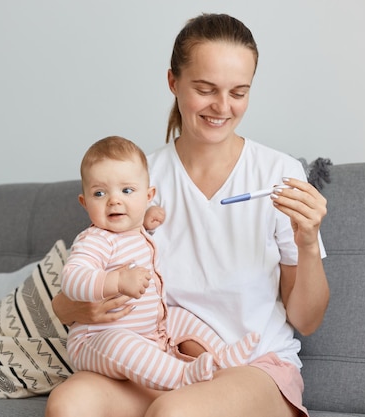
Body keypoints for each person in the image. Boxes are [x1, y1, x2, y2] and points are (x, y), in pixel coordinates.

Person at [46, 13, 329, 417]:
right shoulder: (137, 180)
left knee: (175, 412)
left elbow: (307, 319)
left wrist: (307, 243)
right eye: (205, 88)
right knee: (68, 404)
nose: (222, 107)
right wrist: (85, 307)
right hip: (162, 357)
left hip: (253, 367)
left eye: (239, 92)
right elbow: (69, 297)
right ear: (173, 83)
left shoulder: (278, 175)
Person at [62, 136, 260, 391]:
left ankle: (223, 356)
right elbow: (72, 279)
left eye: (127, 191)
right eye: (99, 193)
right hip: (96, 340)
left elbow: (131, 238)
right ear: (84, 202)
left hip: (151, 332)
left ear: (148, 196)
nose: (114, 200)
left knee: (179, 315)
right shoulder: (96, 239)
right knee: (121, 343)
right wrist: (116, 281)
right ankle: (182, 376)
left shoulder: (133, 231)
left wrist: (144, 221)